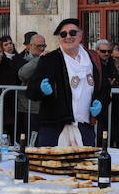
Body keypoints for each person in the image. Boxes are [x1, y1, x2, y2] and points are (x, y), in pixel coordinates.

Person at [26, 18, 111, 147]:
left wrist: (100, 102)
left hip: (84, 126)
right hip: (54, 126)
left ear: (80, 35)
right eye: (63, 34)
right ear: (59, 38)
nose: (68, 37)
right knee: (51, 166)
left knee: (85, 165)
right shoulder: (50, 60)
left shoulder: (94, 59)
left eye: (72, 33)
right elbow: (31, 91)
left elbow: (105, 89)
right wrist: (40, 89)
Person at [16, 33, 46, 140]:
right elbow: (23, 74)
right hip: (28, 106)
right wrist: (39, 59)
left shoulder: (47, 58)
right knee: (29, 138)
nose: (42, 49)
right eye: (39, 46)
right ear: (31, 46)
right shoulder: (22, 58)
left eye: (44, 46)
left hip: (44, 106)